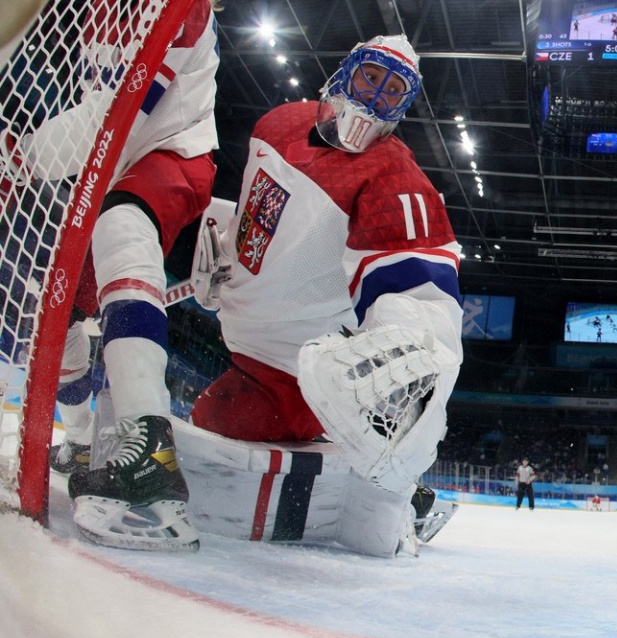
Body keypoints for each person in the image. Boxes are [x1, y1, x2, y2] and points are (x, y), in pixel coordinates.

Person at [185, 34, 463, 557]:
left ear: (403, 105)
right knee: (215, 420)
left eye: (394, 89)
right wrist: (228, 259)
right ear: (348, 69)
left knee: (219, 421)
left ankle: (394, 495)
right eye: (372, 76)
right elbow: (262, 218)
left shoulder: (397, 180)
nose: (377, 95)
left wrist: (401, 380)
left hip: (297, 375)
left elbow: (424, 300)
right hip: (247, 345)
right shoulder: (277, 123)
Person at [9, 1, 222, 550]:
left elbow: (118, 116)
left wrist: (22, 159)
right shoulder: (97, 9)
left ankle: (150, 446)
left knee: (121, 227)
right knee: (60, 314)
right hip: (111, 169)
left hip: (171, 154)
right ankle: (80, 442)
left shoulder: (182, 9)